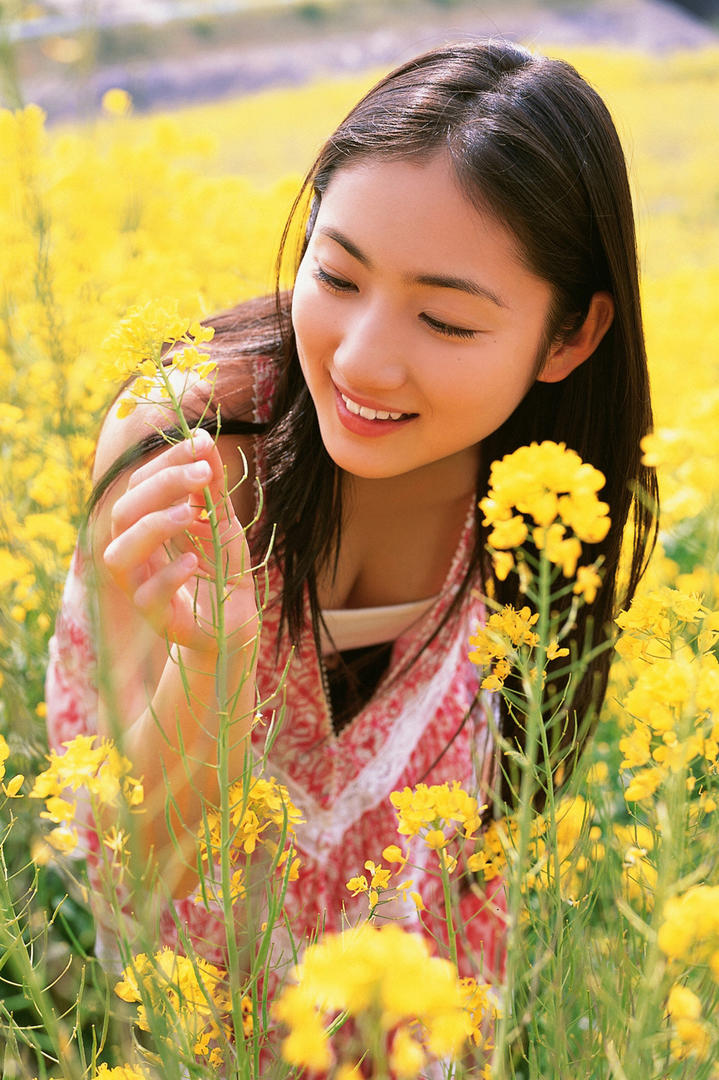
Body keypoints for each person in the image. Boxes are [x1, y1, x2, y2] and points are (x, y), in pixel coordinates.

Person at [46, 39, 657, 983]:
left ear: (570, 335)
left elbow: (498, 836)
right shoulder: (184, 445)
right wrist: (216, 669)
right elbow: (133, 861)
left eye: (446, 320)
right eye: (335, 278)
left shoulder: (555, 515)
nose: (360, 361)